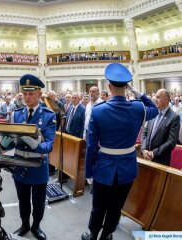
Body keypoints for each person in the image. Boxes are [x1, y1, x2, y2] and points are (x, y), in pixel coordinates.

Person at [81, 63, 158, 240]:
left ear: (109, 87)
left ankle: (93, 235)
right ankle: (107, 235)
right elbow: (154, 108)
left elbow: (91, 146)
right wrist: (137, 92)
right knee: (116, 206)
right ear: (126, 87)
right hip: (127, 169)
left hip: (103, 168)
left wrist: (88, 172)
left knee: (98, 206)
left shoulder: (99, 111)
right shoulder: (138, 108)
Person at [0, 74, 56, 240]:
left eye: (31, 94)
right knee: (23, 200)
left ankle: (36, 226)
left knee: (38, 202)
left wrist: (36, 145)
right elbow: (11, 144)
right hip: (19, 164)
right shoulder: (16, 114)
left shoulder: (48, 116)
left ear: (39, 95)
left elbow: (49, 146)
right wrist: (4, 142)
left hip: (38, 165)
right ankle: (24, 224)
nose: (27, 97)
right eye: (25, 94)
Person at [141, 89, 180, 166]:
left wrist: (154, 153)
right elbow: (145, 133)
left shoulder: (174, 117)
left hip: (161, 161)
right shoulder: (152, 113)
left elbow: (171, 142)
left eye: (158, 97)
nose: (155, 99)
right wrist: (143, 149)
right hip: (146, 157)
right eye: (155, 97)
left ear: (166, 100)